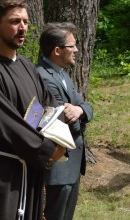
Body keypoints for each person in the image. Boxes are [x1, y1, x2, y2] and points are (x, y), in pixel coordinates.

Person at [0, 0, 66, 220]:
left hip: (31, 169)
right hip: (4, 174)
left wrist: (59, 139)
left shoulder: (25, 65)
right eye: (14, 22)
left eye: (25, 22)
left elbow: (49, 106)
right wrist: (48, 150)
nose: (22, 28)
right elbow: (8, 124)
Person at [36, 22, 93, 220]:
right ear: (57, 50)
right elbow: (65, 123)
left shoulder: (62, 75)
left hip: (71, 165)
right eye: (72, 46)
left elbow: (86, 107)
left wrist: (79, 110)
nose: (77, 50)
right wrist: (79, 115)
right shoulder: (44, 77)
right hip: (59, 164)